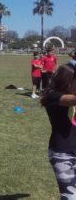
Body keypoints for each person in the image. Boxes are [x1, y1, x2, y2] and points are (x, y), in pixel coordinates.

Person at [41, 64, 76, 199]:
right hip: (62, 154)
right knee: (70, 196)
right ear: (68, 80)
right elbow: (71, 100)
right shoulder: (52, 96)